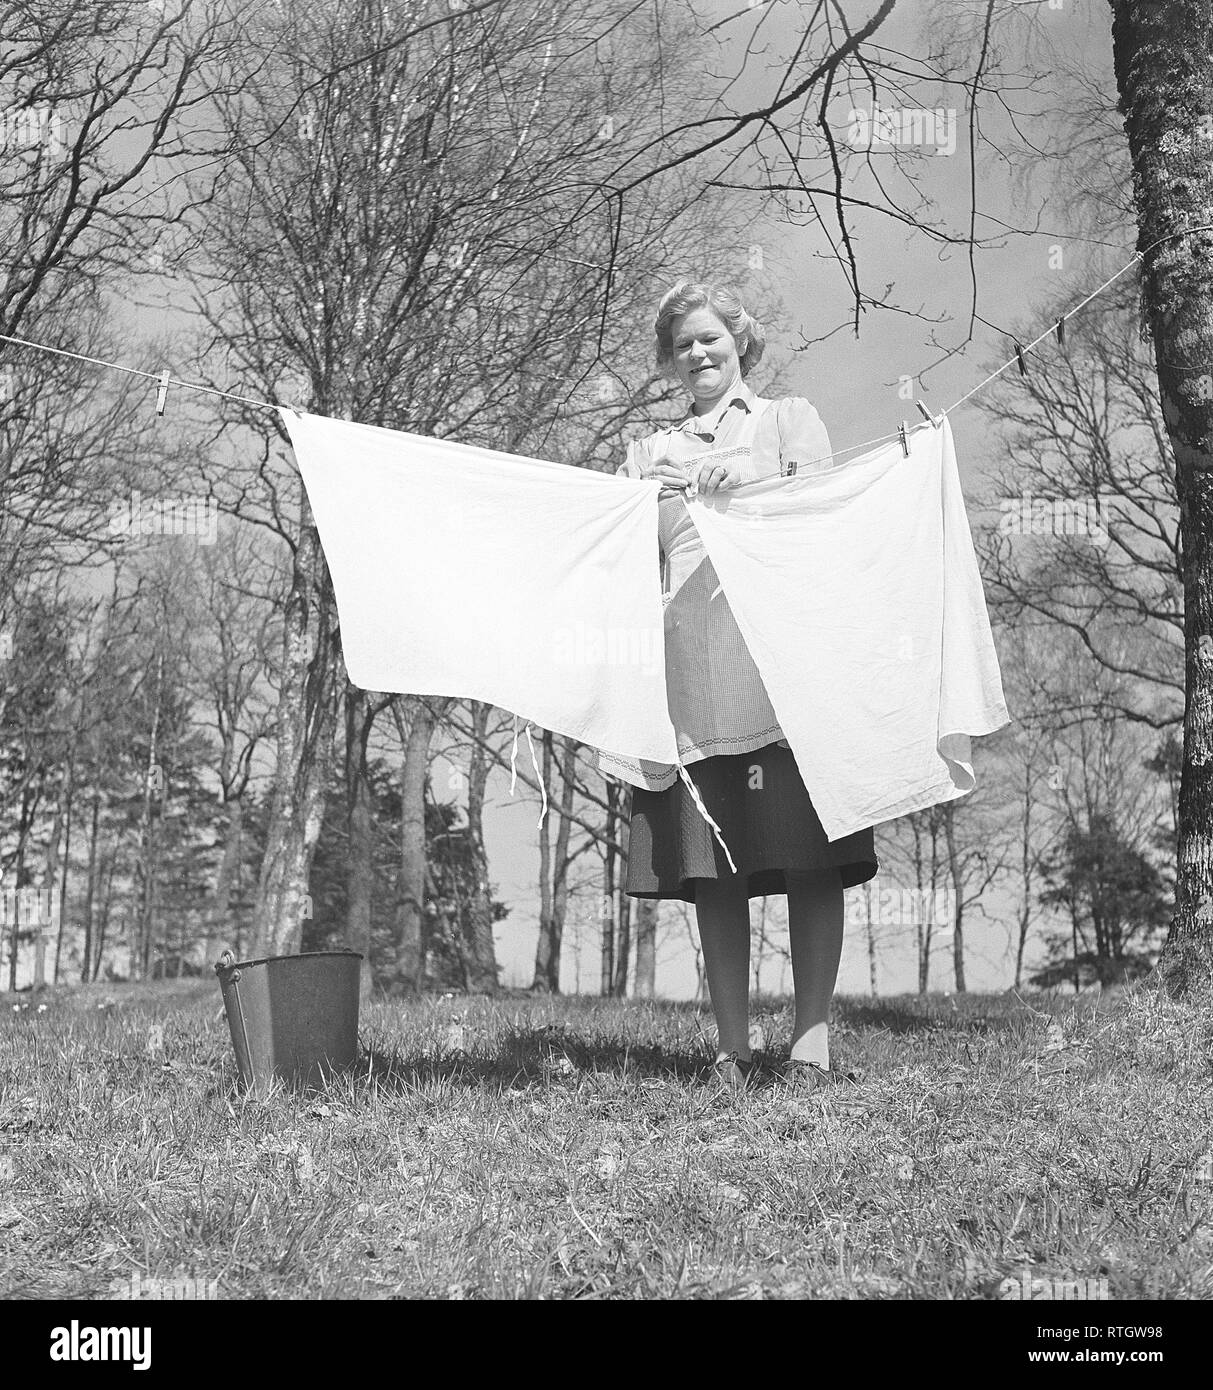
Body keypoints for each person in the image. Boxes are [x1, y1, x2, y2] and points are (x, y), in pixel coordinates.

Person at [614, 280, 878, 1091]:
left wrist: (750, 498)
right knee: (712, 865)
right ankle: (730, 1045)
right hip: (692, 671)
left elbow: (819, 515)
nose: (698, 353)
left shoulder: (786, 420)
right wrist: (677, 501)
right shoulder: (646, 450)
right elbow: (634, 548)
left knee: (809, 855)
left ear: (739, 343)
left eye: (710, 338)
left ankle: (811, 1041)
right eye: (683, 343)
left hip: (778, 666)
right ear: (669, 360)